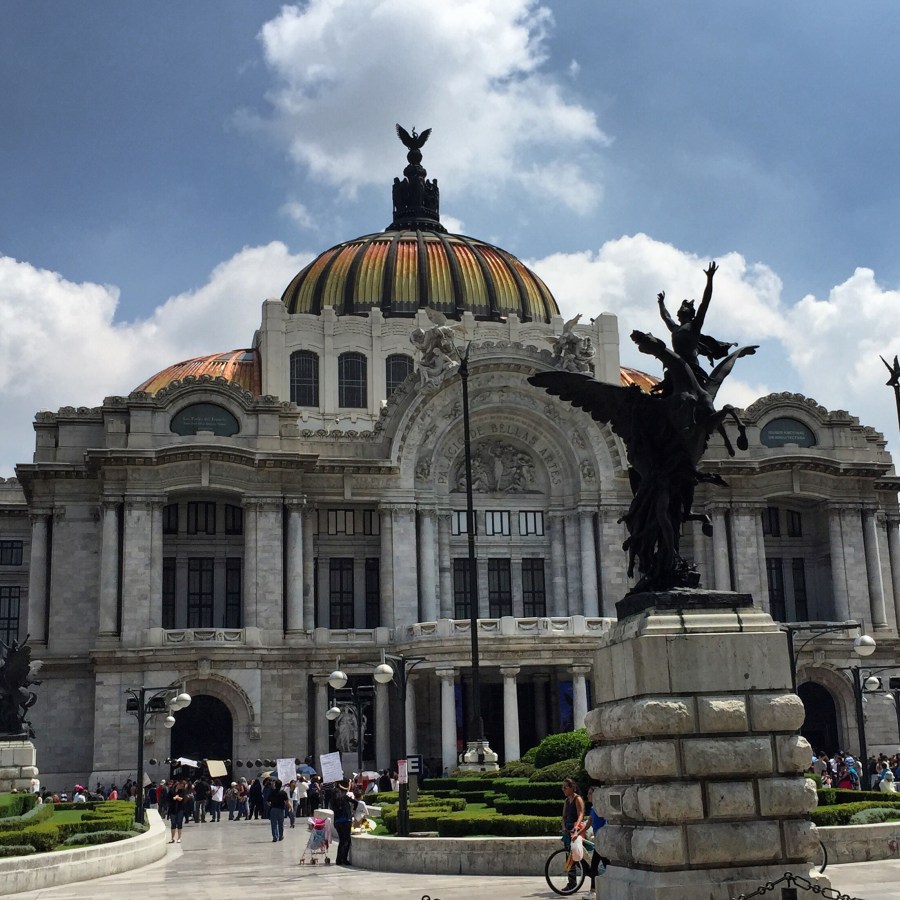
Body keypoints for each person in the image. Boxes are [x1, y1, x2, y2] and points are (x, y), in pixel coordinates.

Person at [561, 778, 585, 891]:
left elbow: (581, 814)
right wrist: (564, 827)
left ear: (572, 788)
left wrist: (576, 827)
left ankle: (592, 874)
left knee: (579, 856)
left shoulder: (577, 799)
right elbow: (564, 816)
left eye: (565, 787)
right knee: (569, 857)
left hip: (576, 830)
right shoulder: (567, 801)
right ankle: (572, 882)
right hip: (568, 830)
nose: (563, 790)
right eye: (563, 788)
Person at [332, 781, 354, 866]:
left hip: (337, 822)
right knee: (347, 841)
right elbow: (355, 802)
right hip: (346, 821)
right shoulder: (344, 798)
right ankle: (344, 859)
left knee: (341, 841)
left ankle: (338, 860)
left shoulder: (333, 801)